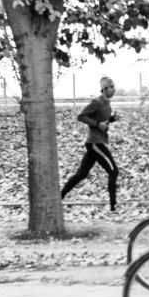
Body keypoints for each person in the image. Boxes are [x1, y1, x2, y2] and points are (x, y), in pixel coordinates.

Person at [61, 76, 120, 211]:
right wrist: (98, 124)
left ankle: (60, 196)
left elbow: (103, 120)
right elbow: (81, 116)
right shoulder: (97, 102)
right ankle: (113, 206)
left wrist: (112, 119)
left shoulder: (107, 103)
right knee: (113, 171)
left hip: (96, 143)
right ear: (105, 89)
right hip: (95, 144)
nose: (114, 89)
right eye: (112, 87)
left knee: (82, 174)